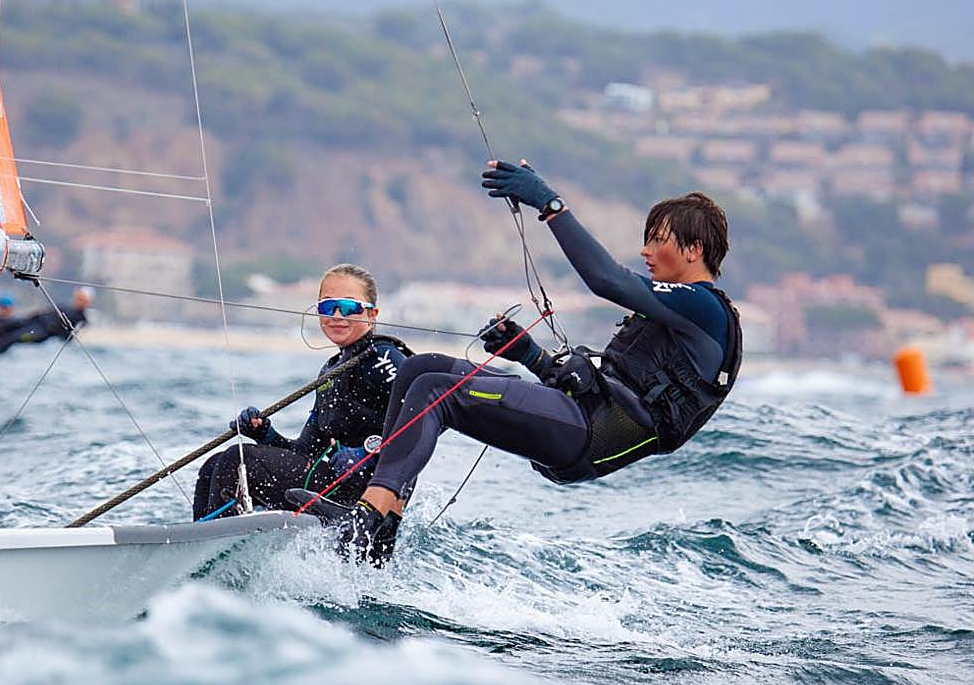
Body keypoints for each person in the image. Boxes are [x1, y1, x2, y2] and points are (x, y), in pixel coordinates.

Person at [291, 161, 742, 566]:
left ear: (693, 250)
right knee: (420, 368)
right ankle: (383, 517)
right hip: (580, 417)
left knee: (436, 391)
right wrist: (529, 354)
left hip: (589, 436)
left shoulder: (706, 309)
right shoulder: (677, 314)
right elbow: (605, 387)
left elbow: (606, 279)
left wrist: (550, 204)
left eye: (658, 240)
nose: (645, 251)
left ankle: (367, 518)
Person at [193, 264, 411, 520]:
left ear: (372, 314)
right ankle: (199, 538)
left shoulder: (384, 357)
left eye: (349, 307)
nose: (337, 315)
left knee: (237, 460)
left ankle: (220, 539)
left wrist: (367, 453)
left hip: (367, 496)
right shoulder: (331, 370)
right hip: (331, 483)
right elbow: (306, 452)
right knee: (213, 465)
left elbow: (427, 415)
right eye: (327, 307)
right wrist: (265, 434)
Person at [0, 286, 95, 358]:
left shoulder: (81, 318)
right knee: (9, 324)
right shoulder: (64, 306)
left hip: (41, 333)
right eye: (78, 297)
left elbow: (68, 337)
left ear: (88, 302)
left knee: (14, 337)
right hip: (35, 321)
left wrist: (59, 331)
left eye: (82, 299)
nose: (79, 301)